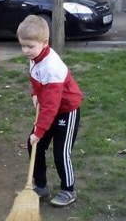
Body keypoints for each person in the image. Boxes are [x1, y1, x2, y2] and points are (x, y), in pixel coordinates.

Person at [16, 15, 82, 207]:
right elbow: (36, 79)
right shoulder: (36, 56)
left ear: (44, 43)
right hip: (49, 107)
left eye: (29, 46)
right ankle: (41, 186)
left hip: (66, 110)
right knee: (34, 145)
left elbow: (52, 106)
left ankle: (68, 190)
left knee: (61, 152)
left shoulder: (52, 67)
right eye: (22, 45)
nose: (25, 50)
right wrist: (35, 93)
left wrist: (39, 131)